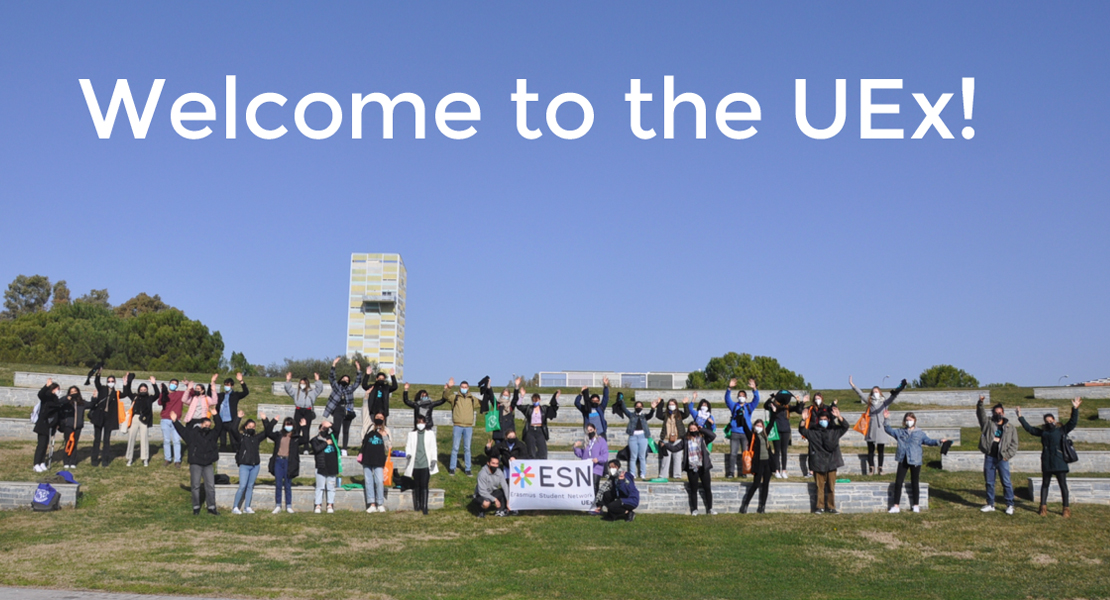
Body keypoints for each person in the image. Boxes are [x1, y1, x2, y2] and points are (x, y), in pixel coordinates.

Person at [1018, 398, 1082, 518]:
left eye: (1050, 420)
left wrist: (1075, 408)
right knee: (1045, 485)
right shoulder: (1043, 432)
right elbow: (1030, 429)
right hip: (1047, 462)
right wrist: (1020, 417)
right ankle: (1043, 507)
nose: (1049, 422)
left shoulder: (1061, 430)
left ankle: (1066, 509)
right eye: (1047, 421)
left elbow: (1072, 422)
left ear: (1054, 420)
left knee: (1063, 485)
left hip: (1059, 462)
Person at [883, 410, 948, 513]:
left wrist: (939, 441)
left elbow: (928, 441)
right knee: (898, 482)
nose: (909, 421)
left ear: (915, 420)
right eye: (907, 420)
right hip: (903, 459)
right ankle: (896, 506)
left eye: (911, 420)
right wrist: (886, 419)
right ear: (904, 421)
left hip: (915, 460)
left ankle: (916, 505)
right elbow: (888, 429)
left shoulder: (920, 433)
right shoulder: (900, 432)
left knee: (915, 482)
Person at [850, 376, 906, 475]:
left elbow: (894, 396)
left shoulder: (885, 403)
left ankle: (880, 467)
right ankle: (871, 467)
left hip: (881, 429)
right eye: (873, 391)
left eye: (877, 391)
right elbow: (860, 394)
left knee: (881, 450)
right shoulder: (870, 402)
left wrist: (902, 386)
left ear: (880, 393)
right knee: (870, 449)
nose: (875, 393)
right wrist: (853, 385)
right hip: (871, 429)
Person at [798, 405, 849, 514]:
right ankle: (819, 507)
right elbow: (802, 430)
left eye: (825, 420)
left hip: (832, 462)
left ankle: (831, 507)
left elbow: (845, 426)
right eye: (821, 420)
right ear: (818, 420)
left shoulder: (834, 431)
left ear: (829, 420)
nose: (823, 421)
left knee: (831, 487)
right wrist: (803, 419)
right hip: (818, 463)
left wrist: (839, 416)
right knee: (819, 487)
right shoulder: (813, 432)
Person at [172, 402, 220, 515]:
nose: (207, 427)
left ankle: (211, 507)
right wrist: (175, 421)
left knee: (210, 486)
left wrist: (216, 416)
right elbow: (182, 431)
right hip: (196, 463)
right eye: (205, 425)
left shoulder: (212, 435)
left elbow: (219, 427)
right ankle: (196, 507)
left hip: (208, 463)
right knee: (195, 486)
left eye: (209, 425)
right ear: (201, 425)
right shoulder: (193, 434)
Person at [976, 394, 1019, 515]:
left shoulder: (1010, 428)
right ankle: (990, 504)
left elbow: (1014, 444)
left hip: (1002, 458)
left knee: (1006, 482)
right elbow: (981, 415)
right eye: (996, 412)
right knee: (989, 482)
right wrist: (980, 403)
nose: (998, 414)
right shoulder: (988, 424)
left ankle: (1010, 505)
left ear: (1003, 413)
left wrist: (1007, 455)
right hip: (990, 456)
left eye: (1000, 412)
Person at [663, 422, 717, 516]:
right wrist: (665, 445)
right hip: (692, 467)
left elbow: (713, 435)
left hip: (703, 466)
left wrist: (702, 429)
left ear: (697, 428)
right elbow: (675, 448)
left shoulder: (703, 438)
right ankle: (695, 509)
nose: (693, 431)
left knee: (707, 488)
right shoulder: (685, 439)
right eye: (691, 429)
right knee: (693, 489)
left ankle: (710, 508)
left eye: (694, 429)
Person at [228, 410, 269, 515]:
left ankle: (247, 507)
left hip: (255, 466)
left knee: (250, 486)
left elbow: (267, 432)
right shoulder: (241, 438)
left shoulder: (256, 438)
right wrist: (238, 418)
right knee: (242, 486)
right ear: (245, 427)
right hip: (244, 465)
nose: (251, 428)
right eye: (249, 426)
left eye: (253, 426)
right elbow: (233, 429)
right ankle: (235, 507)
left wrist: (265, 420)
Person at [265, 416, 308, 514]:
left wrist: (304, 427)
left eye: (290, 424)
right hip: (278, 461)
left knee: (288, 484)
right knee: (278, 484)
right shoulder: (279, 435)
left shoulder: (295, 437)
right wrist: (273, 421)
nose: (288, 426)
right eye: (286, 424)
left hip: (289, 462)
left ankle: (288, 505)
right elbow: (268, 433)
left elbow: (305, 439)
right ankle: (278, 505)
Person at [442, 378, 482, 476]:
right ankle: (452, 468)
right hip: (457, 426)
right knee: (455, 448)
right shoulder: (455, 397)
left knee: (467, 448)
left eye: (466, 387)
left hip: (468, 427)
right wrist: (448, 388)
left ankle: (468, 469)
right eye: (462, 387)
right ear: (460, 388)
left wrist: (487, 392)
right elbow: (446, 396)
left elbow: (483, 403)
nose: (464, 388)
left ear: (468, 388)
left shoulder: (472, 399)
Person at [122, 373, 161, 467]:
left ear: (147, 390)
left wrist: (154, 384)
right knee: (131, 438)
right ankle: (130, 458)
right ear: (139, 390)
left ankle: (145, 458)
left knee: (144, 439)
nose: (143, 391)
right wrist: (128, 382)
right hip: (135, 418)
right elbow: (128, 392)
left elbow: (157, 394)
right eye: (141, 389)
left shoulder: (150, 398)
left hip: (144, 420)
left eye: (145, 389)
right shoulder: (135, 396)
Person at [739, 418, 776, 513]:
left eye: (761, 426)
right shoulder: (752, 436)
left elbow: (771, 423)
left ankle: (762, 506)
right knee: (755, 484)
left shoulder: (765, 435)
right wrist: (742, 416)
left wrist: (774, 413)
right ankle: (745, 504)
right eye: (757, 425)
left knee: (766, 485)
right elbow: (745, 428)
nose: (759, 427)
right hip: (758, 463)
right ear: (754, 426)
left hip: (767, 462)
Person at [763, 389, 803, 479]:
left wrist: (799, 401)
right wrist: (772, 397)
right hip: (776, 430)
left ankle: (784, 471)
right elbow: (765, 405)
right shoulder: (773, 406)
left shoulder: (787, 407)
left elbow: (799, 410)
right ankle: (777, 470)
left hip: (786, 431)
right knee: (777, 451)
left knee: (784, 451)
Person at [724, 378, 759, 478]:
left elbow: (756, 400)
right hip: (735, 432)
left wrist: (755, 389)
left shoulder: (749, 407)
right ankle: (730, 472)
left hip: (746, 433)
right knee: (733, 454)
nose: (741, 397)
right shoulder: (734, 406)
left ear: (746, 397)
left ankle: (744, 471)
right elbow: (727, 399)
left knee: (746, 454)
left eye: (743, 396)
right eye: (740, 396)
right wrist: (729, 388)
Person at [88, 369, 124, 467]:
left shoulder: (116, 393)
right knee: (97, 439)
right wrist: (98, 374)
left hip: (109, 418)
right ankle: (94, 459)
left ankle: (105, 460)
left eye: (112, 381)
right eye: (109, 381)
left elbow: (126, 393)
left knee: (106, 440)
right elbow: (97, 383)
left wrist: (126, 383)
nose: (110, 383)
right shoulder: (102, 389)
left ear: (115, 382)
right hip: (99, 416)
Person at [322, 358, 360, 449]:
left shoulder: (350, 389)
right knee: (337, 429)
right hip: (337, 409)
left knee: (346, 430)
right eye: (343, 379)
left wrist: (358, 370)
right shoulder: (336, 387)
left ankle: (344, 449)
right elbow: (331, 377)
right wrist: (333, 364)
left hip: (347, 410)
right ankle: (334, 446)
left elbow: (357, 382)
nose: (345, 381)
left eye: (347, 380)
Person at [404, 415, 438, 515]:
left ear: (425, 423)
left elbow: (433, 447)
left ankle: (425, 506)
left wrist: (434, 459)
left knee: (424, 485)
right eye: (419, 422)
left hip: (425, 464)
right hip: (415, 463)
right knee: (417, 485)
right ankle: (417, 505)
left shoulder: (430, 434)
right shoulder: (412, 434)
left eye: (422, 422)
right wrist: (408, 454)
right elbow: (408, 446)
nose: (420, 424)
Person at [358, 412, 392, 513]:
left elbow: (389, 447)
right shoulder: (369, 427)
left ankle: (380, 503)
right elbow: (363, 440)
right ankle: (372, 503)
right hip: (367, 458)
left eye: (381, 417)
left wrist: (385, 436)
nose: (379, 419)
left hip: (379, 459)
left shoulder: (386, 430)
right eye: (377, 417)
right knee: (368, 481)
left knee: (379, 481)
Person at [574, 423, 609, 514]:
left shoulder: (601, 440)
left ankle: (596, 507)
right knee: (586, 487)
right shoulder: (586, 442)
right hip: (586, 468)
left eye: (591, 430)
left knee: (594, 486)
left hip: (596, 468)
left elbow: (605, 455)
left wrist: (598, 459)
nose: (590, 432)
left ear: (595, 430)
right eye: (588, 431)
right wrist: (575, 447)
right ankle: (587, 505)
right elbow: (582, 454)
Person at [308, 420, 342, 514]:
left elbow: (337, 430)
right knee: (320, 487)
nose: (324, 430)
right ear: (319, 429)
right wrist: (326, 443)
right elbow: (316, 449)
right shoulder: (315, 440)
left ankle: (330, 504)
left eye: (326, 429)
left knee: (331, 487)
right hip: (321, 466)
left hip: (332, 466)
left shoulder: (332, 437)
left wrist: (330, 425)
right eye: (323, 428)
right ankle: (318, 505)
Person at [516, 388, 558, 460]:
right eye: (534, 401)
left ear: (540, 400)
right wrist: (522, 396)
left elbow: (553, 409)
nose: (535, 402)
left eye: (537, 400)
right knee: (531, 450)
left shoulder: (544, 409)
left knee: (543, 450)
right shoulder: (529, 408)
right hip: (530, 430)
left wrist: (556, 398)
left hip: (540, 430)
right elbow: (519, 406)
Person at [212, 372, 249, 452]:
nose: (226, 386)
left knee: (233, 439)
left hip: (231, 420)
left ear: (232, 386)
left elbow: (246, 392)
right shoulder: (221, 395)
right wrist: (213, 382)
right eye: (225, 385)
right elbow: (210, 394)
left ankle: (235, 452)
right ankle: (222, 452)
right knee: (222, 440)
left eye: (228, 385)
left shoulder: (235, 395)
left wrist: (241, 381)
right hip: (221, 420)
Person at [618, 398, 653, 480]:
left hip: (643, 437)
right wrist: (622, 401)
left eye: (640, 406)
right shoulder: (631, 415)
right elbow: (625, 410)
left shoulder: (644, 416)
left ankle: (643, 473)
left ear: (642, 408)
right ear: (634, 407)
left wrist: (653, 408)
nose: (638, 407)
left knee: (642, 456)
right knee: (633, 456)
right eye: (637, 406)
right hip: (633, 437)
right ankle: (632, 473)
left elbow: (650, 415)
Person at [32, 379, 63, 472]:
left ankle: (42, 462)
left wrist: (58, 424)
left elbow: (58, 413)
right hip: (43, 424)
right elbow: (40, 394)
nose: (58, 391)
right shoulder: (47, 397)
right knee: (41, 445)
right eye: (56, 389)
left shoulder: (57, 400)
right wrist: (46, 386)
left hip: (51, 425)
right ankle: (36, 463)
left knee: (45, 445)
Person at [654, 398, 688, 479]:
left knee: (677, 458)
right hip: (666, 440)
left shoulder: (679, 414)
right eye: (670, 404)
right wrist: (660, 404)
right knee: (665, 459)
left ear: (676, 405)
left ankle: (677, 475)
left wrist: (685, 404)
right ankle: (663, 475)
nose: (671, 406)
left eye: (673, 404)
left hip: (678, 439)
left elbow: (687, 414)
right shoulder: (665, 414)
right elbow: (658, 415)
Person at [284, 372, 323, 439]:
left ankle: (306, 448)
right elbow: (288, 389)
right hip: (298, 410)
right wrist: (288, 380)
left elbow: (319, 389)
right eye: (301, 383)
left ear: (307, 384)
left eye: (304, 383)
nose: (302, 385)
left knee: (306, 430)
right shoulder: (296, 391)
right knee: (296, 429)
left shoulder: (312, 392)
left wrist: (317, 380)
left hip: (307, 411)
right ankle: (295, 446)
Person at [158, 378, 187, 467]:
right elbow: (160, 403)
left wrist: (187, 385)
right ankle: (168, 459)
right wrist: (163, 392)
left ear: (177, 386)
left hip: (176, 420)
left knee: (176, 440)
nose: (173, 385)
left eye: (175, 384)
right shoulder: (165, 394)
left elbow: (191, 393)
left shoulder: (179, 394)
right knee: (166, 440)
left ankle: (177, 460)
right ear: (169, 383)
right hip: (165, 419)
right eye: (172, 383)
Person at [57, 385, 86, 469]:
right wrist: (67, 398)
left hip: (78, 426)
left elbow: (91, 404)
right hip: (68, 426)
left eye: (75, 392)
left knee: (74, 444)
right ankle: (66, 461)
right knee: (68, 443)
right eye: (71, 392)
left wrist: (94, 398)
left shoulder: (81, 403)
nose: (73, 393)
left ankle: (73, 461)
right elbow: (59, 402)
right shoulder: (66, 403)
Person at [482, 377, 519, 442]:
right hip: (498, 433)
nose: (505, 397)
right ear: (501, 395)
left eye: (507, 395)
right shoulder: (498, 405)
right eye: (504, 395)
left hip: (509, 434)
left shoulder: (510, 406)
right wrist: (489, 386)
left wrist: (516, 386)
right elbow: (491, 397)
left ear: (509, 396)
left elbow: (515, 399)